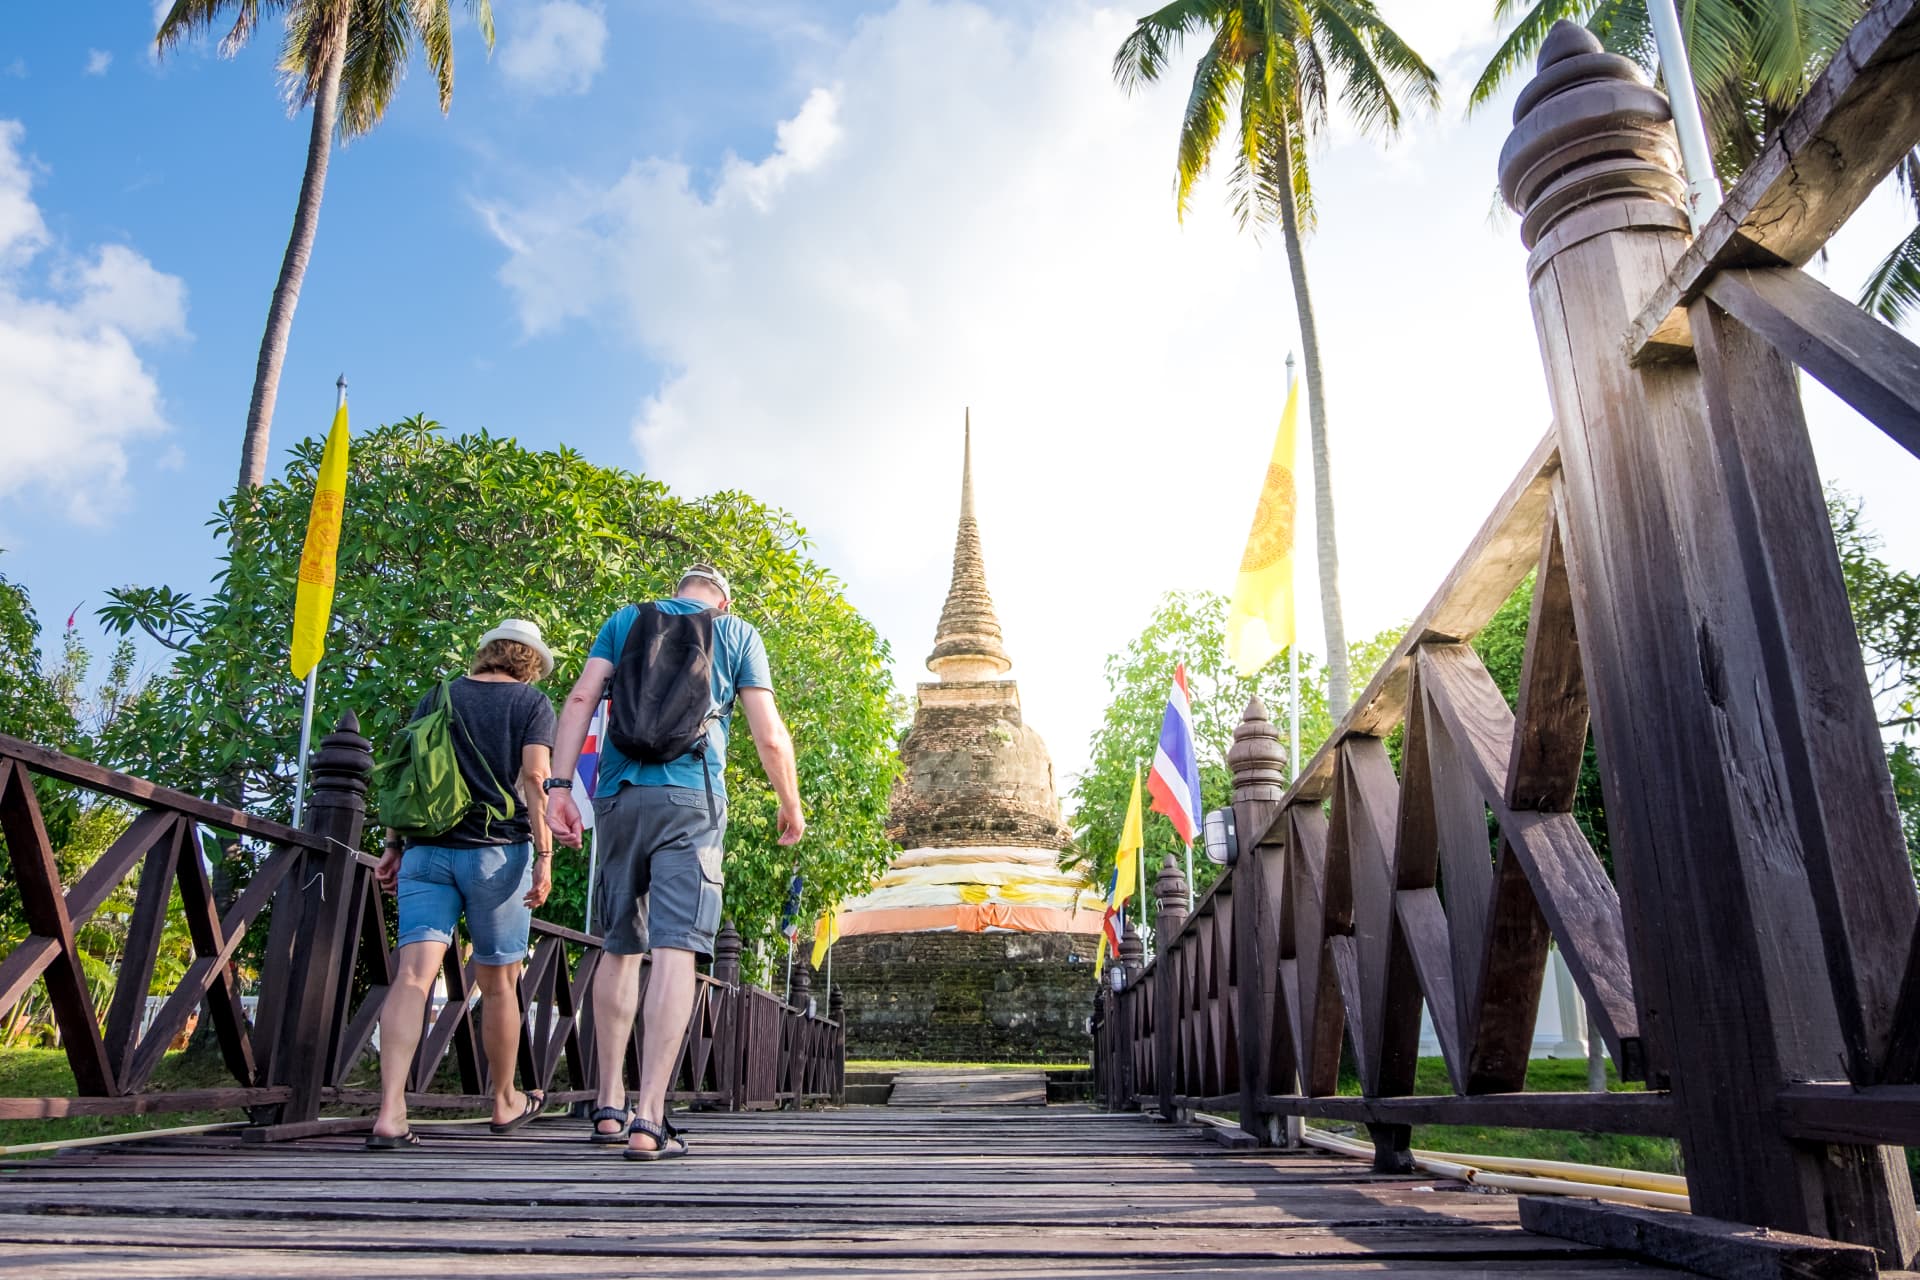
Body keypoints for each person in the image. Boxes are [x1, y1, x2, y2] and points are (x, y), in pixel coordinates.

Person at [547, 563, 803, 1160]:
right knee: (675, 950)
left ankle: (608, 1105)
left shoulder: (624, 619)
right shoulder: (737, 633)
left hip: (618, 795)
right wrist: (789, 801)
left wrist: (560, 787)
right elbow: (768, 733)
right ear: (723, 597)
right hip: (692, 800)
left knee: (619, 945)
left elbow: (582, 696)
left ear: (678, 588)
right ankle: (650, 1115)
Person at [368, 619, 558, 1150]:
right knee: (499, 983)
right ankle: (503, 1102)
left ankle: (390, 1112)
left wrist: (392, 845)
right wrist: (544, 856)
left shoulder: (437, 695)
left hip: (426, 852)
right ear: (530, 662)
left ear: (487, 652)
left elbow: (409, 773)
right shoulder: (531, 703)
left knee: (412, 978)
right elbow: (538, 780)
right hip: (498, 856)